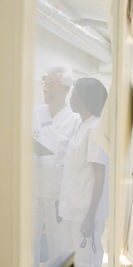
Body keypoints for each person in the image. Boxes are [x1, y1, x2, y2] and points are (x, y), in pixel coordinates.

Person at [32, 67, 81, 267]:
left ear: (66, 89)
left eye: (50, 84)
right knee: (28, 245)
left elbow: (72, 157)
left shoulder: (75, 120)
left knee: (58, 247)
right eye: (45, 83)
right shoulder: (35, 113)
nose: (45, 89)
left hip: (57, 194)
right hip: (33, 190)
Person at [58, 77, 109, 267]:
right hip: (72, 210)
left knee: (86, 261)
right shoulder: (82, 125)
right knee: (74, 261)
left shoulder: (95, 128)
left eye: (74, 93)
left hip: (85, 213)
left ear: (85, 98)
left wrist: (90, 216)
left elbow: (99, 175)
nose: (70, 98)